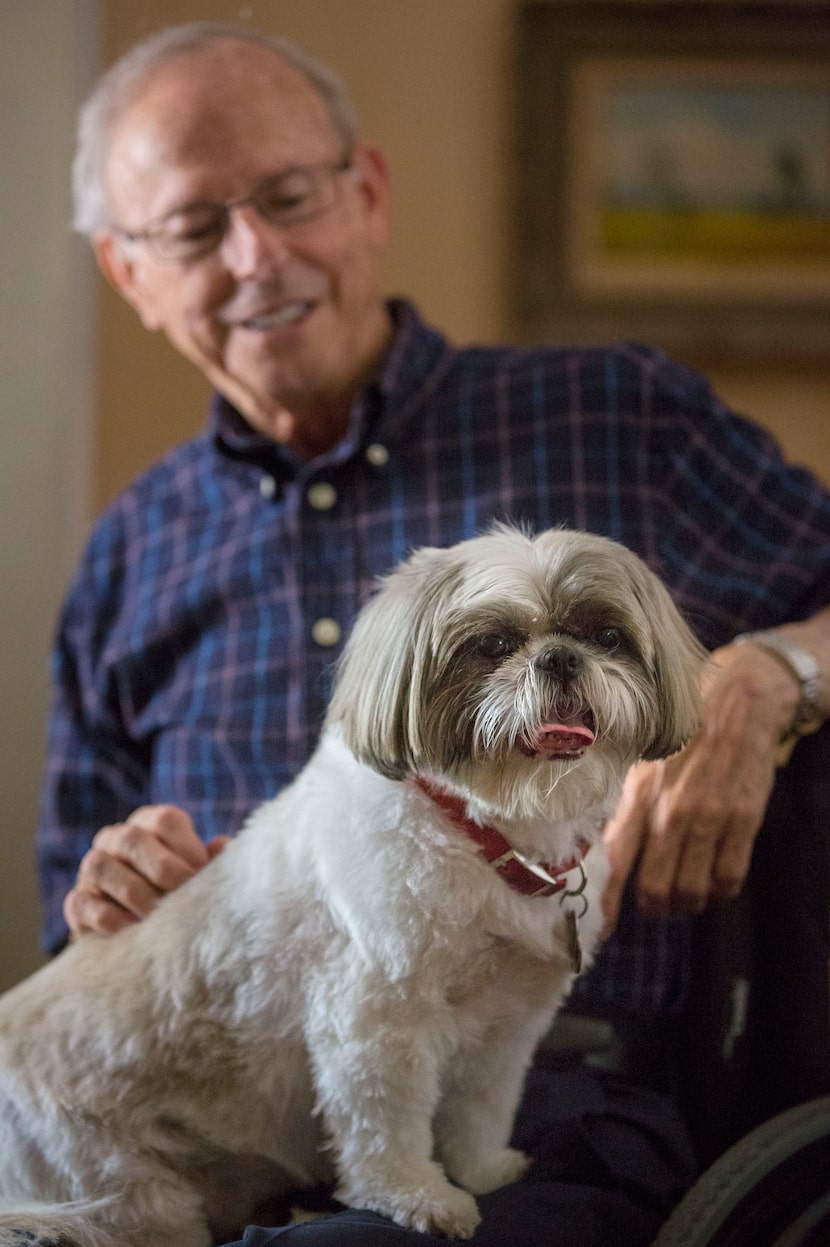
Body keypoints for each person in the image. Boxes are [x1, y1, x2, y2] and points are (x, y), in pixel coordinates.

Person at [36, 20, 830, 1247]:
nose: (256, 254)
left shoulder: (615, 412)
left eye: (289, 194)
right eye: (195, 227)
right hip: (208, 1106)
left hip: (548, 1094)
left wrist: (769, 673)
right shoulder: (128, 552)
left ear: (366, 193)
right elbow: (65, 920)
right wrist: (113, 890)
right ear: (125, 270)